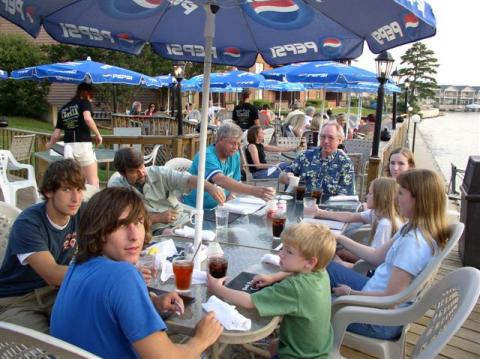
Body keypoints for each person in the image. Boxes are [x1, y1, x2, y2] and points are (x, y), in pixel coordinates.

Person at [50, 187, 223, 358]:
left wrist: (153, 303)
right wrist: (201, 339)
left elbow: (104, 311)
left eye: (139, 222)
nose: (134, 236)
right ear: (99, 231)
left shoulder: (77, 264)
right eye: (122, 225)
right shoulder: (123, 275)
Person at [326, 169, 450, 339]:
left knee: (310, 301)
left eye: (400, 193)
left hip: (378, 319)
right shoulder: (411, 227)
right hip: (374, 293)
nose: (395, 198)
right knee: (327, 266)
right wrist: (338, 237)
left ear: (418, 200)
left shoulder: (413, 243)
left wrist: (350, 294)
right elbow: (376, 256)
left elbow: (391, 297)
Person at [208, 223, 336, 359]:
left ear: (310, 262)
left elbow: (249, 302)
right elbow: (296, 273)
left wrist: (217, 288)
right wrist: (273, 277)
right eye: (283, 248)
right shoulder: (321, 272)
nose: (281, 254)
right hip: (318, 349)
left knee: (272, 346)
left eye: (289, 251)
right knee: (273, 346)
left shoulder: (295, 287)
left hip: (297, 356)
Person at [0, 159, 85, 333]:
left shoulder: (81, 212)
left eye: (79, 189)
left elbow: (112, 226)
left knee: (90, 325)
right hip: (16, 299)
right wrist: (105, 273)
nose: (75, 198)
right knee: (45, 345)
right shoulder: (29, 223)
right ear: (48, 191)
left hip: (56, 293)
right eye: (67, 189)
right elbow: (52, 273)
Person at [108, 147, 225, 233]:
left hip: (183, 222)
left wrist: (210, 187)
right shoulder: (117, 189)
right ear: (122, 173)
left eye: (142, 167)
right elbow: (123, 223)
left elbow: (188, 180)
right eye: (134, 171)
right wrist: (156, 218)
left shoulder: (159, 172)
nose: (141, 173)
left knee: (216, 233)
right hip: (151, 231)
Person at [183, 122, 275, 209]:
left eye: (238, 144)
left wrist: (232, 195)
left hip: (223, 208)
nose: (236, 147)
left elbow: (237, 181)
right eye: (233, 143)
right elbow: (220, 180)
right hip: (197, 209)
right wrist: (254, 191)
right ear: (220, 139)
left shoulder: (234, 155)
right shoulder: (206, 155)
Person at [316, 177, 402, 267]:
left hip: (373, 274)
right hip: (373, 266)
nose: (366, 196)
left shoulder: (385, 224)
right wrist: (320, 212)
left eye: (370, 193)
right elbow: (350, 216)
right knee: (339, 252)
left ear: (382, 198)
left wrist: (341, 262)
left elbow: (376, 264)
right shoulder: (376, 213)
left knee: (326, 263)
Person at [46, 83, 102, 187]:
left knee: (73, 182)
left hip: (68, 148)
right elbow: (87, 118)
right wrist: (98, 134)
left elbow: (56, 134)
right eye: (92, 96)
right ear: (87, 94)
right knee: (92, 180)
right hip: (83, 145)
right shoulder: (84, 103)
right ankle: (94, 203)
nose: (92, 100)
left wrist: (50, 144)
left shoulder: (64, 108)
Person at [279, 122, 355, 199]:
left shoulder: (345, 163)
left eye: (331, 138)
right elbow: (282, 176)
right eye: (323, 137)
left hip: (327, 207)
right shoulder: (306, 156)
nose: (326, 141)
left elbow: (346, 196)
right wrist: (286, 177)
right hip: (300, 202)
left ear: (340, 140)